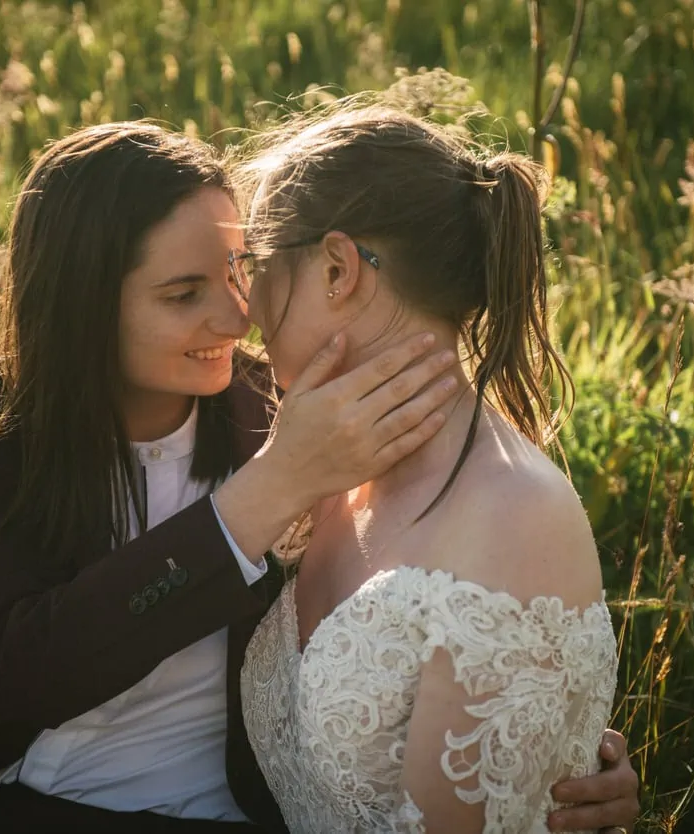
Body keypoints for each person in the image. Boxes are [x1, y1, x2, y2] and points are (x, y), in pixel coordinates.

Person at [0, 122, 636, 833]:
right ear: (79, 308)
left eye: (239, 270)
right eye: (184, 294)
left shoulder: (283, 410)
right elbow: (23, 669)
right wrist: (260, 499)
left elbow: (460, 621)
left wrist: (553, 748)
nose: (235, 317)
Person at [234, 104, 624, 833]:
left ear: (338, 267)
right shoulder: (325, 461)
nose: (247, 309)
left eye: (256, 266)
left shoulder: (514, 516)